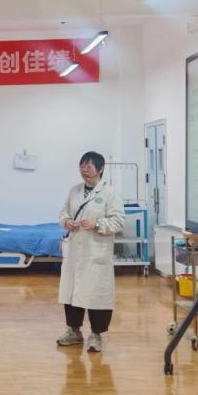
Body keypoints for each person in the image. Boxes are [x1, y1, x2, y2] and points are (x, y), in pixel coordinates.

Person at [57, 151, 126, 353]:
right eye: (82, 166)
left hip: (96, 252)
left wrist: (97, 224)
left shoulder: (110, 193)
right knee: (72, 292)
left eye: (89, 166)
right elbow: (63, 212)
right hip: (75, 250)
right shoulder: (74, 191)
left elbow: (119, 221)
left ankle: (96, 335)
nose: (84, 170)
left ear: (100, 168)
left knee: (97, 294)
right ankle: (74, 331)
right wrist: (66, 222)